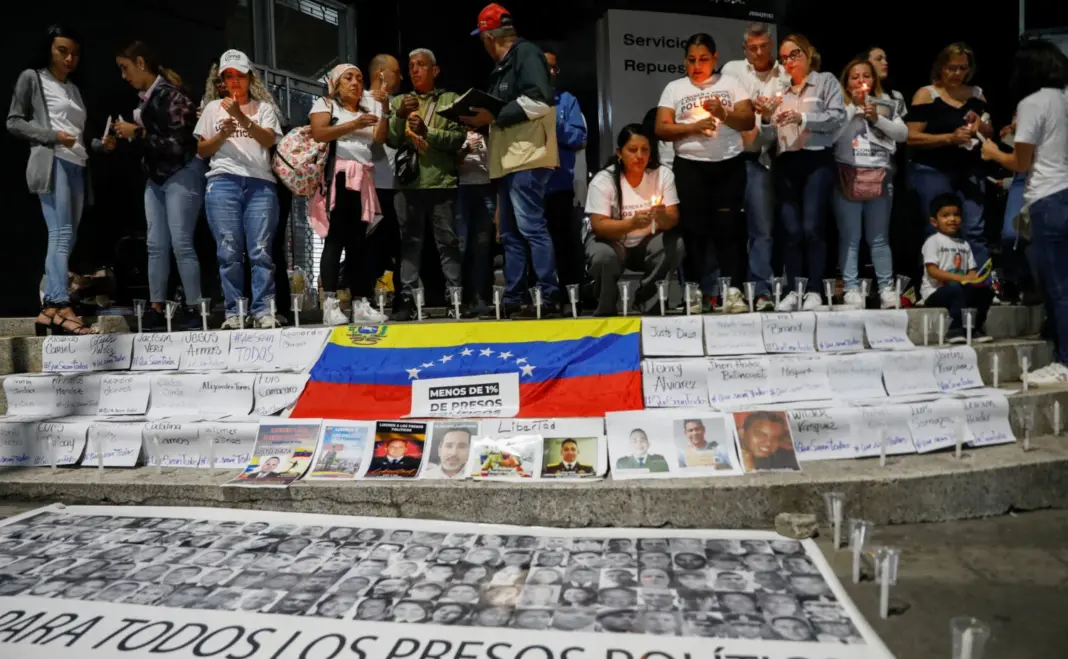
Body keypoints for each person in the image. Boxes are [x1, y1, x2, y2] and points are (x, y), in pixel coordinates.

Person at [8, 26, 110, 335]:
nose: (69, 58)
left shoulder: (73, 89)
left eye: (74, 53)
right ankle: (58, 303)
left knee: (68, 236)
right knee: (61, 233)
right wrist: (52, 136)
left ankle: (51, 309)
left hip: (78, 164)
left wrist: (98, 145)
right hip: (52, 162)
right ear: (49, 49)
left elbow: (78, 135)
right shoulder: (33, 78)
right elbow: (14, 122)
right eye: (62, 51)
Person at [466, 3, 561, 319]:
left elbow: (541, 99)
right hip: (508, 160)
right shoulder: (503, 65)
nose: (483, 45)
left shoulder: (526, 54)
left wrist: (494, 114)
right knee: (508, 234)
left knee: (531, 227)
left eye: (482, 39)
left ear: (490, 38)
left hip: (528, 157)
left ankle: (550, 298)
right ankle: (515, 297)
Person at [982, 39, 1068, 383]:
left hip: (1048, 198)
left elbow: (1020, 161)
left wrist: (991, 151)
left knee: (1057, 288)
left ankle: (1064, 362)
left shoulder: (1033, 102)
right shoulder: (1064, 98)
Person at [656, 33, 754, 311]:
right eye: (691, 60)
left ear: (715, 59)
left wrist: (723, 113)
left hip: (728, 164)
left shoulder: (731, 83)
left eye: (703, 60)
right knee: (694, 230)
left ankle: (734, 291)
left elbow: (747, 120)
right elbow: (661, 128)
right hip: (689, 166)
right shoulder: (675, 88)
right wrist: (691, 127)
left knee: (729, 229)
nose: (697, 66)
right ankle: (695, 291)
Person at [112, 41, 204, 331]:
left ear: (141, 63)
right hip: (156, 177)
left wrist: (137, 133)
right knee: (155, 245)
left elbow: (179, 145)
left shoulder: (172, 97)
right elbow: (155, 144)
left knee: (181, 242)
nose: (123, 76)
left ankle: (193, 306)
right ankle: (155, 306)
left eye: (125, 68)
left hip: (181, 173)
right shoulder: (147, 99)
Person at [195, 49, 284, 329]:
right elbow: (201, 150)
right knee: (229, 250)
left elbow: (269, 140)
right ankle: (235, 311)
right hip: (222, 181)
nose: (234, 82)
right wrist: (222, 133)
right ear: (221, 80)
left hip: (260, 183)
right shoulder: (212, 109)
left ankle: (263, 310)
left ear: (249, 78)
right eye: (228, 76)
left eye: (240, 76)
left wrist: (242, 118)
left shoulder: (263, 109)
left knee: (260, 250)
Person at [759, 34, 845, 311]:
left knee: (812, 227)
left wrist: (803, 117)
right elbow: (767, 135)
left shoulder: (825, 81)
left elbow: (836, 118)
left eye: (794, 54)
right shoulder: (779, 89)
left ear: (808, 53)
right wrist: (765, 117)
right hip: (786, 162)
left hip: (816, 160)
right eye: (783, 58)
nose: (789, 62)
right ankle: (795, 289)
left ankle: (816, 290)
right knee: (791, 230)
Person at [387, 49, 465, 320]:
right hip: (408, 185)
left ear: (435, 70)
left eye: (421, 65)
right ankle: (408, 299)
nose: (415, 70)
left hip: (441, 183)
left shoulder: (450, 100)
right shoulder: (401, 101)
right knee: (409, 243)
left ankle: (455, 297)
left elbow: (458, 139)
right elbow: (393, 140)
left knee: (448, 243)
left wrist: (427, 132)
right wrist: (399, 117)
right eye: (411, 66)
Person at [309, 63, 388, 326]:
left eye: (359, 78)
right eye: (348, 78)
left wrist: (385, 110)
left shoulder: (368, 109)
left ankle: (360, 302)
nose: (355, 82)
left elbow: (378, 139)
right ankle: (330, 303)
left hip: (363, 177)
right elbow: (319, 133)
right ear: (336, 84)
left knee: (359, 242)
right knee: (336, 239)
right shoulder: (325, 105)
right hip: (340, 175)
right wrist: (354, 124)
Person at [722, 23, 790, 311]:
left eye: (764, 46)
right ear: (745, 49)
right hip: (728, 158)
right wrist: (750, 107)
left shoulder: (784, 75)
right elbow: (730, 110)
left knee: (763, 230)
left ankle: (761, 290)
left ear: (771, 45)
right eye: (754, 47)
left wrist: (764, 116)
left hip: (764, 158)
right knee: (725, 228)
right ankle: (725, 291)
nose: (760, 52)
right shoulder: (732, 70)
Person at [907, 43, 993, 273]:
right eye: (951, 68)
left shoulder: (976, 93)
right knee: (937, 229)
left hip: (970, 169)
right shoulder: (927, 94)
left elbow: (988, 131)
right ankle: (935, 282)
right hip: (932, 170)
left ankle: (981, 283)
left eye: (962, 68)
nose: (957, 74)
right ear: (941, 68)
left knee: (974, 228)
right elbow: (911, 137)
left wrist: (980, 126)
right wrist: (949, 138)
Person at [832, 58, 908, 309]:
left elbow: (903, 134)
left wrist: (876, 117)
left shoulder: (885, 103)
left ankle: (886, 288)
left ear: (874, 79)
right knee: (850, 237)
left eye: (866, 76)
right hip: (848, 175)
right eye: (855, 77)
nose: (861, 81)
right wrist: (853, 109)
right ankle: (852, 288)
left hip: (879, 176)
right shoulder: (840, 105)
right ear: (846, 82)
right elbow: (833, 135)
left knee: (879, 238)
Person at [585, 124, 682, 316]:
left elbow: (673, 217)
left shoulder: (662, 175)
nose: (640, 155)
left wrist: (661, 216)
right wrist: (631, 224)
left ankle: (649, 301)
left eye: (645, 150)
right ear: (619, 153)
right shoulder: (603, 180)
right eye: (633, 150)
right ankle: (606, 307)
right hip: (612, 241)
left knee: (675, 244)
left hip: (646, 242)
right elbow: (598, 226)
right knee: (603, 256)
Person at [542, 47, 588, 292]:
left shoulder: (567, 101)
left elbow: (579, 138)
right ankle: (537, 297)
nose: (550, 71)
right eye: (545, 66)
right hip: (529, 186)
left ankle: (571, 298)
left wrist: (554, 125)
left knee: (564, 242)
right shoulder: (521, 102)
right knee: (533, 245)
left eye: (553, 67)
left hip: (559, 183)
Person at [920, 194, 995, 343]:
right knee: (958, 291)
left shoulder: (964, 244)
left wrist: (975, 279)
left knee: (986, 293)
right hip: (934, 293)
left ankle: (975, 328)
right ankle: (954, 329)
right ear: (934, 222)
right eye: (945, 215)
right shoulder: (933, 241)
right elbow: (932, 271)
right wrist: (962, 279)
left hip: (959, 289)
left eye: (956, 215)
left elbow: (971, 270)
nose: (952, 219)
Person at [366, 54, 402, 310]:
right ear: (381, 74)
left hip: (397, 186)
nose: (401, 77)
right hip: (369, 186)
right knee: (370, 247)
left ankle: (402, 298)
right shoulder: (362, 101)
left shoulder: (398, 103)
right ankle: (363, 297)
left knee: (400, 247)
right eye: (396, 71)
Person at [456, 128, 495, 313]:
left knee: (482, 246)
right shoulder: (457, 132)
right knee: (461, 245)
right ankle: (460, 298)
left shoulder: (489, 132)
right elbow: (448, 164)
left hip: (486, 188)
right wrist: (465, 150)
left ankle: (481, 296)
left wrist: (483, 144)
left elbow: (495, 164)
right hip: (461, 188)